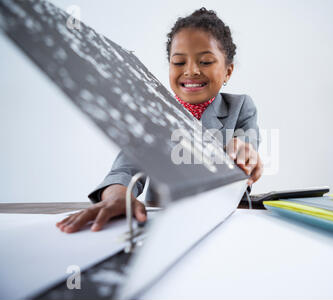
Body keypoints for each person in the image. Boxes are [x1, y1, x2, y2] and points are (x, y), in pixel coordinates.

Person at [56, 7, 263, 233]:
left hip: (225, 224)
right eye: (179, 62)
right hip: (166, 223)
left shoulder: (241, 106)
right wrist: (117, 196)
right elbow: (124, 169)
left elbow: (247, 149)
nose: (191, 71)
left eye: (205, 61)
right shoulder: (152, 113)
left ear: (228, 72)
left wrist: (244, 153)